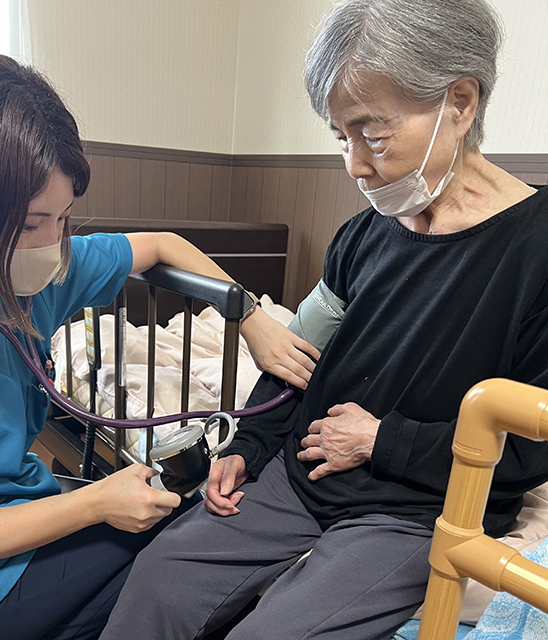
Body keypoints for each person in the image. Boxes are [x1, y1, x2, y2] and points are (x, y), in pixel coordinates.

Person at [100, 1, 548, 639]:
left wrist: (381, 441)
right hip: (302, 473)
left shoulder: (536, 249)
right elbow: (297, 352)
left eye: (373, 134)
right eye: (341, 137)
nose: (355, 165)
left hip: (421, 509)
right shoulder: (362, 235)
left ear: (460, 102)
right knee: (159, 576)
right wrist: (249, 447)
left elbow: (533, 447)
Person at [0, 53, 320, 640]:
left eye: (63, 218)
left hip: (14, 512)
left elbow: (163, 244)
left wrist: (250, 317)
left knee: (184, 545)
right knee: (181, 561)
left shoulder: (25, 279)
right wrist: (95, 503)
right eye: (29, 225)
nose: (52, 245)